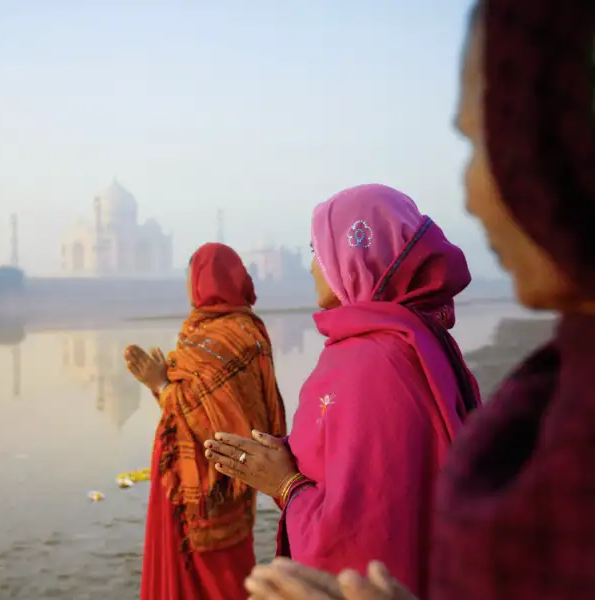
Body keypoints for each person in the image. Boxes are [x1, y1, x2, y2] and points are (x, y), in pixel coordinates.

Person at [241, 0, 595, 598]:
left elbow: (364, 529)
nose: (472, 198)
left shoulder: (372, 360)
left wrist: (286, 487)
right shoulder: (419, 343)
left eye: (482, 143)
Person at [205, 183, 481, 597]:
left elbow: (360, 537)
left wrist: (285, 484)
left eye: (318, 251)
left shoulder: (373, 362)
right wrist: (291, 456)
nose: (312, 267)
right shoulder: (410, 340)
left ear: (355, 257)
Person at [124, 242, 287, 600]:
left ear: (203, 281)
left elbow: (214, 423)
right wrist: (164, 386)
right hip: (194, 480)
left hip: (206, 488)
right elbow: (198, 407)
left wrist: (161, 385)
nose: (187, 285)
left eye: (190, 277)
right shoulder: (241, 333)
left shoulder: (229, 338)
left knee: (218, 578)